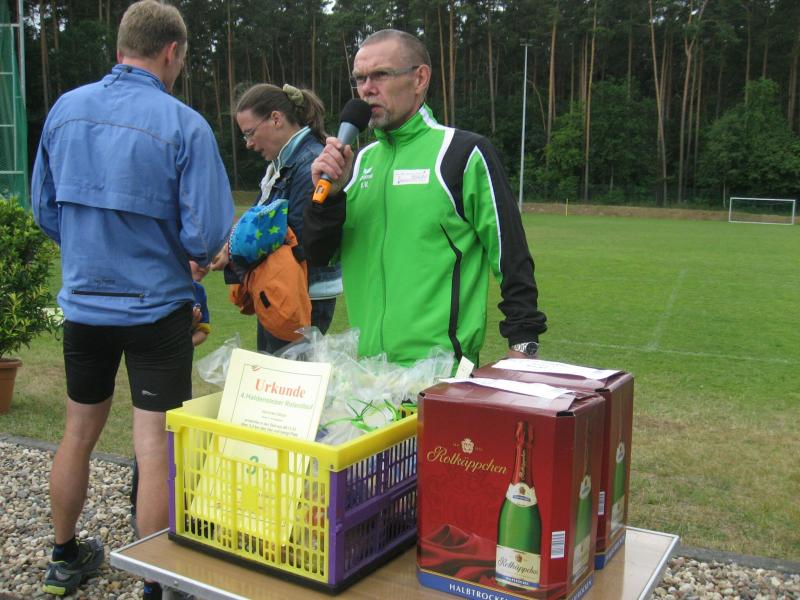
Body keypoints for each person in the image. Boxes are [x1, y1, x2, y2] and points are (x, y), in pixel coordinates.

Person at [31, 1, 233, 598]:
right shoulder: (184, 125)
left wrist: (91, 251)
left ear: (121, 47)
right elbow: (206, 234)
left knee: (77, 433)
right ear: (172, 52)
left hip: (84, 308)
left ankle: (63, 558)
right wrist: (187, 252)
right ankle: (156, 584)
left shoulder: (65, 110)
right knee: (153, 445)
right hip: (156, 310)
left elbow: (45, 210)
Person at [304, 29, 547, 366]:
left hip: (440, 374)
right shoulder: (356, 164)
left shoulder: (462, 153)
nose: (367, 88)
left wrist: (523, 343)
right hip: (369, 374)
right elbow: (318, 255)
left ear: (420, 78)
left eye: (380, 75)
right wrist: (329, 199)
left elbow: (511, 255)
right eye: (360, 78)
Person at [210, 83, 341, 353]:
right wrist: (230, 247)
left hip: (300, 294)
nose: (248, 144)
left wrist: (233, 252)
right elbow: (261, 222)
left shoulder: (310, 164)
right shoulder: (283, 165)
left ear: (276, 119)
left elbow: (298, 238)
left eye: (250, 133)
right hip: (283, 287)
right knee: (274, 372)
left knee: (286, 378)